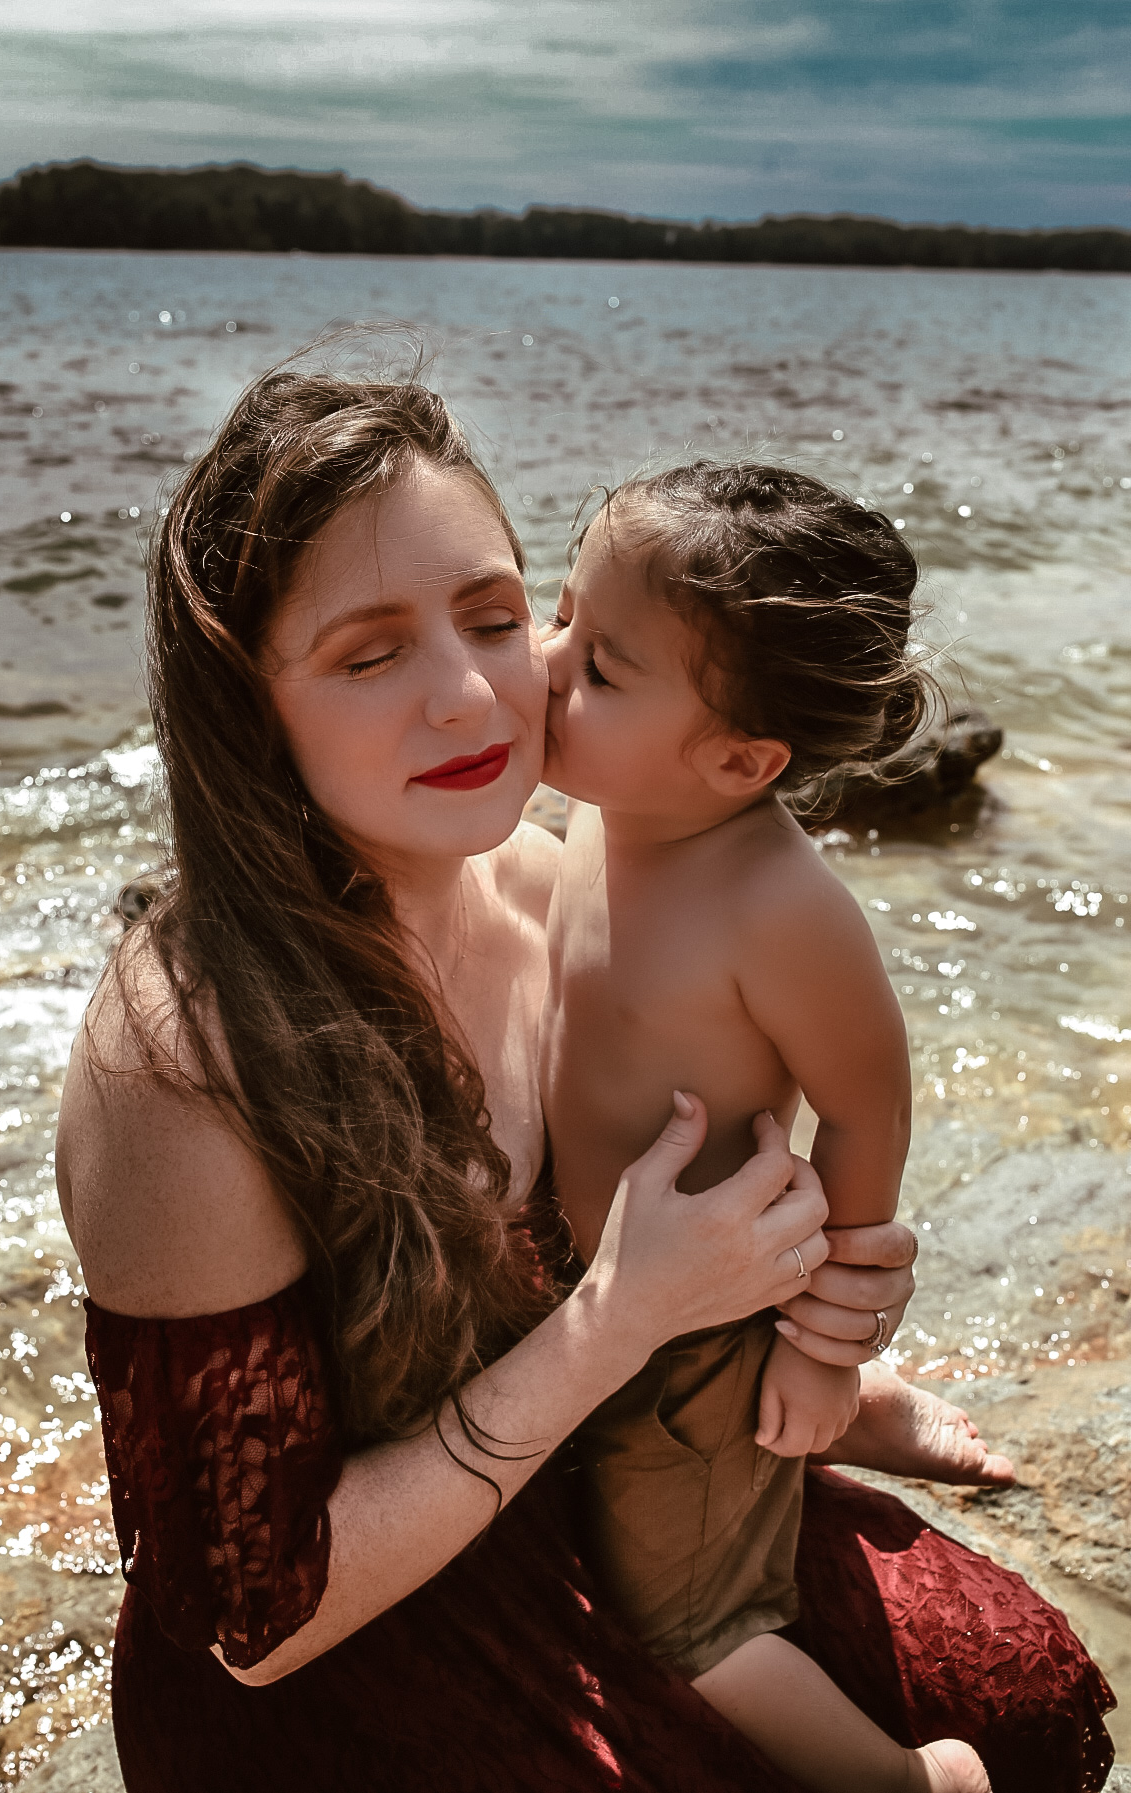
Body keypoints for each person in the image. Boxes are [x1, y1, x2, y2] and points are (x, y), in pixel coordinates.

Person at [55, 364, 1116, 1793]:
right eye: (371, 654)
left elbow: (743, 1149)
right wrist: (624, 1318)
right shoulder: (182, 1062)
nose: (474, 692)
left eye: (497, 618)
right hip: (339, 1653)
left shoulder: (559, 883)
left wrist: (815, 1299)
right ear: (249, 704)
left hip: (586, 1475)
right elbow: (254, 1621)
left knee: (1027, 1690)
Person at [540, 463, 985, 1791]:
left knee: (689, 1628)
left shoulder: (778, 907)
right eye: (557, 616)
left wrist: (825, 1350)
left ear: (739, 760)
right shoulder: (606, 804)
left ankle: (922, 1780)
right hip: (598, 1289)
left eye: (602, 667)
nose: (546, 664)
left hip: (709, 1334)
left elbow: (866, 1110)